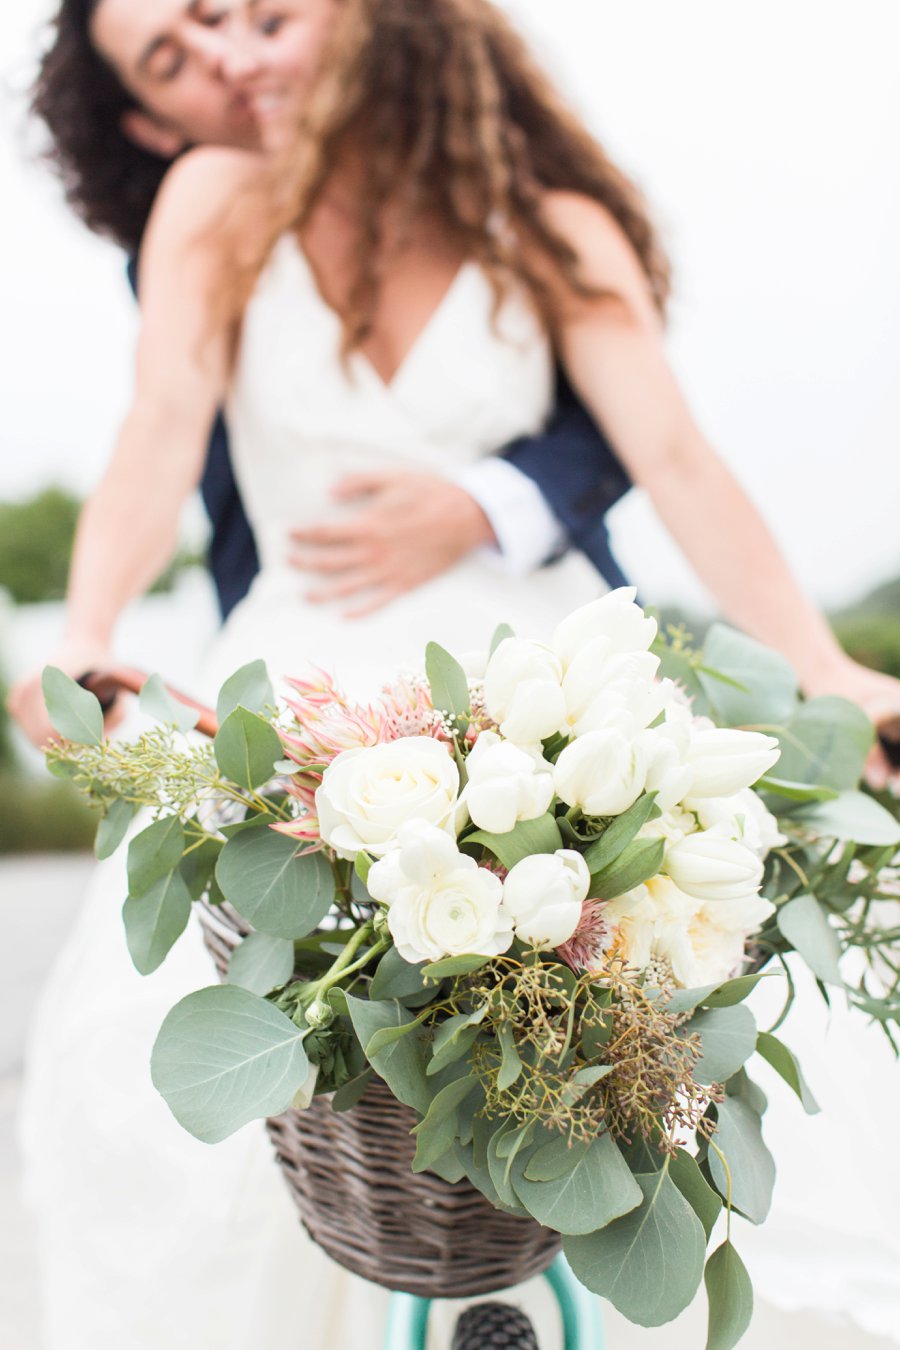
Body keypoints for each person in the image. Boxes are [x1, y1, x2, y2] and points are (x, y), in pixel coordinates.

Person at [9, 2, 900, 1348]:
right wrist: (88, 626)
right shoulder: (214, 196)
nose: (240, 60)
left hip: (543, 687)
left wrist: (828, 663)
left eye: (260, 18)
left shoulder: (552, 227)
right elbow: (158, 419)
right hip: (299, 686)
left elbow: (679, 459)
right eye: (193, 48)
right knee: (210, 1064)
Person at [28, 0, 633, 630]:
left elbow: (637, 427)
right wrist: (95, 636)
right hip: (317, 639)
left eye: (211, 16)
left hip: (544, 613)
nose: (220, 56)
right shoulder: (189, 252)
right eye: (171, 62)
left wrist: (491, 508)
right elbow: (169, 449)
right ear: (155, 128)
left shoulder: (499, 201)